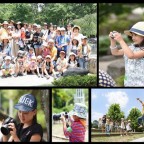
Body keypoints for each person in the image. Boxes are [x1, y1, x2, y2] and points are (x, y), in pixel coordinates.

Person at [109, 21, 144, 86]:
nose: (133, 37)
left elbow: (131, 55)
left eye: (135, 35)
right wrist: (113, 40)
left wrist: (121, 40)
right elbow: (115, 52)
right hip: (129, 82)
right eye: (132, 35)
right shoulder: (131, 47)